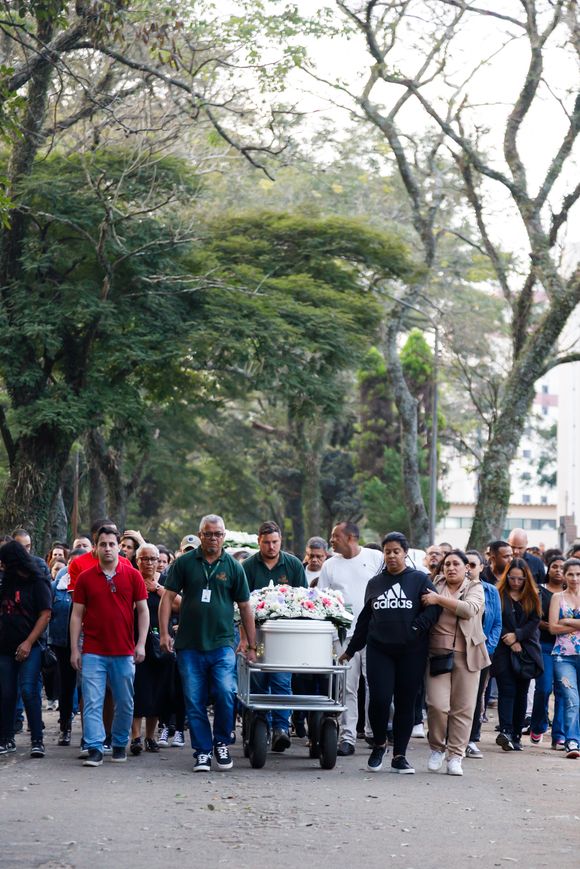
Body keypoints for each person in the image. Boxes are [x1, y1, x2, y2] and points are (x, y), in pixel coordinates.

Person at [159, 514, 257, 773]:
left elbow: (246, 607)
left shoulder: (233, 566)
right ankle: (202, 751)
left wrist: (251, 644)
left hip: (222, 644)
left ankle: (221, 743)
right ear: (200, 534)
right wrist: (165, 634)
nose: (213, 538)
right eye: (208, 533)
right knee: (194, 700)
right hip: (189, 645)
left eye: (218, 534)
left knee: (226, 692)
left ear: (224, 536)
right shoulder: (186, 563)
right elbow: (167, 598)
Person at [339, 531, 441, 774]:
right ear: (383, 555)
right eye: (388, 552)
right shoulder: (375, 583)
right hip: (379, 650)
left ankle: (400, 755)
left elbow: (433, 611)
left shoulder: (419, 579)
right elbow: (365, 619)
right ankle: (379, 745)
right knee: (380, 699)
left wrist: (416, 627)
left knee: (405, 702)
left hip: (411, 651)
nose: (392, 556)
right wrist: (351, 650)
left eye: (396, 551)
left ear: (405, 553)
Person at [70, 526, 149, 767]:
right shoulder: (85, 578)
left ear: (119, 547)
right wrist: (75, 648)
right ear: (95, 548)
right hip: (93, 650)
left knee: (125, 701)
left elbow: (144, 611)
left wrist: (141, 644)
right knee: (92, 700)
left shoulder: (132, 575)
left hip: (124, 651)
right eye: (102, 544)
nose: (107, 548)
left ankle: (118, 743)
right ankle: (94, 746)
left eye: (111, 544)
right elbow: (76, 615)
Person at [241, 520, 307, 752]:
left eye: (275, 542)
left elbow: (303, 602)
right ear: (259, 541)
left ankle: (281, 727)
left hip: (284, 636)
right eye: (266, 542)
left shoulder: (293, 565)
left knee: (281, 681)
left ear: (281, 541)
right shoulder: (248, 566)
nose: (271, 547)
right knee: (258, 682)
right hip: (255, 634)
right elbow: (241, 605)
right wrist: (245, 640)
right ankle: (261, 726)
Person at [422, 549, 489, 776]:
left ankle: (456, 756)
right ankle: (437, 748)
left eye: (456, 564)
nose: (451, 568)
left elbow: (469, 610)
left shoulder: (475, 588)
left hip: (467, 654)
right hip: (437, 653)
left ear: (466, 568)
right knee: (437, 705)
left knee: (463, 708)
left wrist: (438, 600)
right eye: (447, 564)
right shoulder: (434, 584)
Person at [319, 522, 384, 756]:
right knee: (347, 687)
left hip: (374, 634)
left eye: (335, 536)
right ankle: (347, 737)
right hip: (344, 636)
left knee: (376, 686)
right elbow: (323, 600)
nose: (331, 540)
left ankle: (373, 732)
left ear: (351, 538)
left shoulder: (376, 557)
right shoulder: (329, 565)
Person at [0, 541, 52, 758]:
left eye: (3, 562)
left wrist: (29, 642)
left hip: (31, 646)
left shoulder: (37, 582)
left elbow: (45, 614)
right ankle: (6, 738)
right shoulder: (5, 583)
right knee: (6, 693)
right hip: (4, 647)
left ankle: (37, 740)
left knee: (29, 691)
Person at [493, 558, 542, 752]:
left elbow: (535, 620)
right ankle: (505, 730)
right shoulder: (499, 594)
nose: (515, 582)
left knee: (522, 692)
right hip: (503, 649)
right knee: (507, 689)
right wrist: (509, 638)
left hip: (527, 649)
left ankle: (516, 734)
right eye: (512, 578)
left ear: (525, 579)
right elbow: (495, 618)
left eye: (519, 579)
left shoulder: (532, 595)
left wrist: (518, 636)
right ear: (507, 577)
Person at [130, 543, 174, 756]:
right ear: (137, 560)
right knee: (138, 689)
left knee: (158, 689)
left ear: (159, 561)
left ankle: (151, 736)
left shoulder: (166, 581)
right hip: (136, 640)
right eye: (144, 558)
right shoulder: (131, 578)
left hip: (161, 641)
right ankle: (135, 737)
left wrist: (157, 588)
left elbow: (180, 604)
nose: (149, 563)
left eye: (153, 559)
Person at [465, 550, 502, 759]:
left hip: (481, 651)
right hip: (457, 650)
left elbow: (497, 623)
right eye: (466, 564)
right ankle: (450, 737)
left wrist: (488, 649)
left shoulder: (491, 591)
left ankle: (471, 738)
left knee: (476, 696)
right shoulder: (456, 589)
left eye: (472, 565)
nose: (468, 569)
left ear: (481, 567)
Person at [48, 546, 87, 747]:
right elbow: (49, 612)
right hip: (62, 643)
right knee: (66, 686)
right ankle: (65, 727)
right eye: (73, 565)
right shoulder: (59, 585)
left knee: (86, 688)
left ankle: (88, 732)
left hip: (88, 643)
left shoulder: (91, 583)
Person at [529, 555, 566, 748]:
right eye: (555, 567)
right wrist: (553, 625)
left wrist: (555, 625)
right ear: (548, 569)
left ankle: (559, 735)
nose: (558, 570)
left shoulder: (571, 595)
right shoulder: (539, 592)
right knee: (543, 688)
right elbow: (535, 620)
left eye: (562, 567)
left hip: (567, 647)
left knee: (562, 691)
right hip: (543, 645)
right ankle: (538, 725)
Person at [549, 557, 580, 759]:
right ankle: (572, 741)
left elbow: (560, 624)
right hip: (563, 655)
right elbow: (552, 627)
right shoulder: (557, 598)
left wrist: (567, 620)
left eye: (578, 574)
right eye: (570, 574)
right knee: (571, 698)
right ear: (564, 575)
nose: (575, 578)